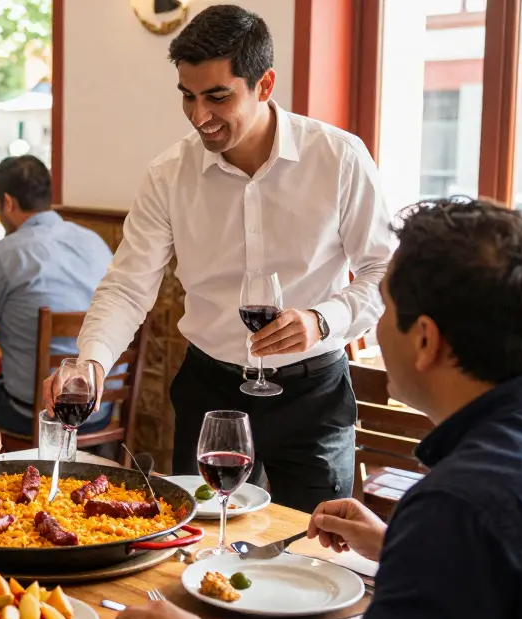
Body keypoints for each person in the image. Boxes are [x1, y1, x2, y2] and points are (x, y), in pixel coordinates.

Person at [110, 198, 522, 619]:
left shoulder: (460, 507)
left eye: (383, 307)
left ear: (425, 340)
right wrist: (405, 549)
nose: (374, 327)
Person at [45, 5, 395, 513]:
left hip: (313, 394)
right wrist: (93, 361)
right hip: (210, 391)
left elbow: (382, 272)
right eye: (188, 96)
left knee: (316, 548)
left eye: (217, 97)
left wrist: (323, 320)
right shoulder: (169, 174)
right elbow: (128, 285)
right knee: (197, 545)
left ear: (265, 84)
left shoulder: (339, 158)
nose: (199, 116)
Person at [0, 155, 114, 436]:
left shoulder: (3, 254)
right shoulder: (95, 242)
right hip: (101, 409)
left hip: (34, 410)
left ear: (7, 202)